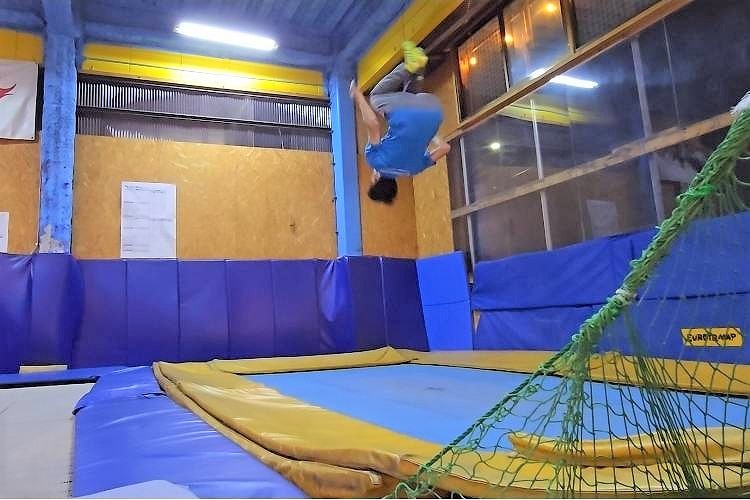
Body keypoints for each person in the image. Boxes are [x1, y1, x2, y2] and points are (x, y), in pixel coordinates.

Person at [350, 42, 451, 204]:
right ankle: (410, 66)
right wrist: (358, 96)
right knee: (376, 96)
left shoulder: (414, 170)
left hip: (435, 110)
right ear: (375, 179)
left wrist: (432, 135)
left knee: (409, 99)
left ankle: (419, 68)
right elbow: (373, 123)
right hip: (408, 110)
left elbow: (445, 148)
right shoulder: (375, 161)